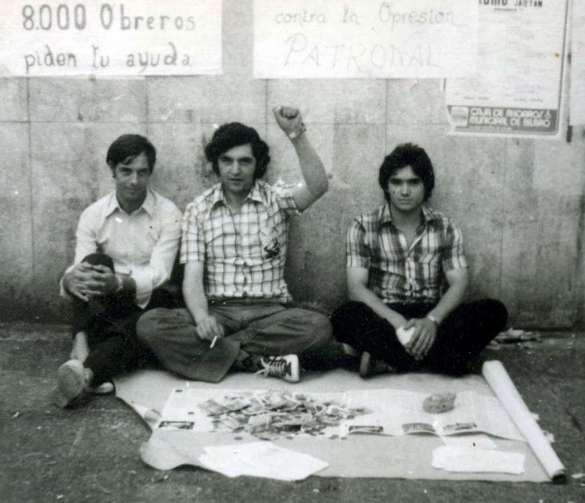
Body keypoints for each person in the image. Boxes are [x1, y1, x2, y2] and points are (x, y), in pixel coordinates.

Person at [137, 106, 332, 383]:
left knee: (318, 327)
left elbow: (318, 186)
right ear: (216, 164)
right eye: (227, 161)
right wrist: (203, 318)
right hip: (219, 312)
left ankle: (223, 357)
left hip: (269, 314)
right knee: (150, 324)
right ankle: (257, 361)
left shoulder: (276, 200)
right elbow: (192, 278)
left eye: (244, 161)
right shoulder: (198, 210)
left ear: (258, 164)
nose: (235, 170)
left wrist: (296, 134)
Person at [330, 143, 507, 378]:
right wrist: (397, 322)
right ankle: (443, 359)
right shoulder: (363, 225)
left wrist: (432, 321)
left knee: (494, 311)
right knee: (344, 316)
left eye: (414, 182)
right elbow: (355, 288)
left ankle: (391, 357)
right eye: (397, 182)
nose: (405, 191)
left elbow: (459, 283)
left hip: (432, 313)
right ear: (387, 186)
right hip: (386, 314)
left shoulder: (445, 226)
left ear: (426, 186)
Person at [51, 134, 182, 407]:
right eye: (126, 171)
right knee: (92, 265)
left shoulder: (168, 213)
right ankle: (83, 342)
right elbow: (80, 269)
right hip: (106, 300)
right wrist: (68, 279)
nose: (134, 181)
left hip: (148, 299)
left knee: (139, 327)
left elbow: (160, 272)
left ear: (150, 173)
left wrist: (121, 283)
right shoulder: (94, 214)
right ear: (112, 169)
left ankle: (85, 371)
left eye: (142, 173)